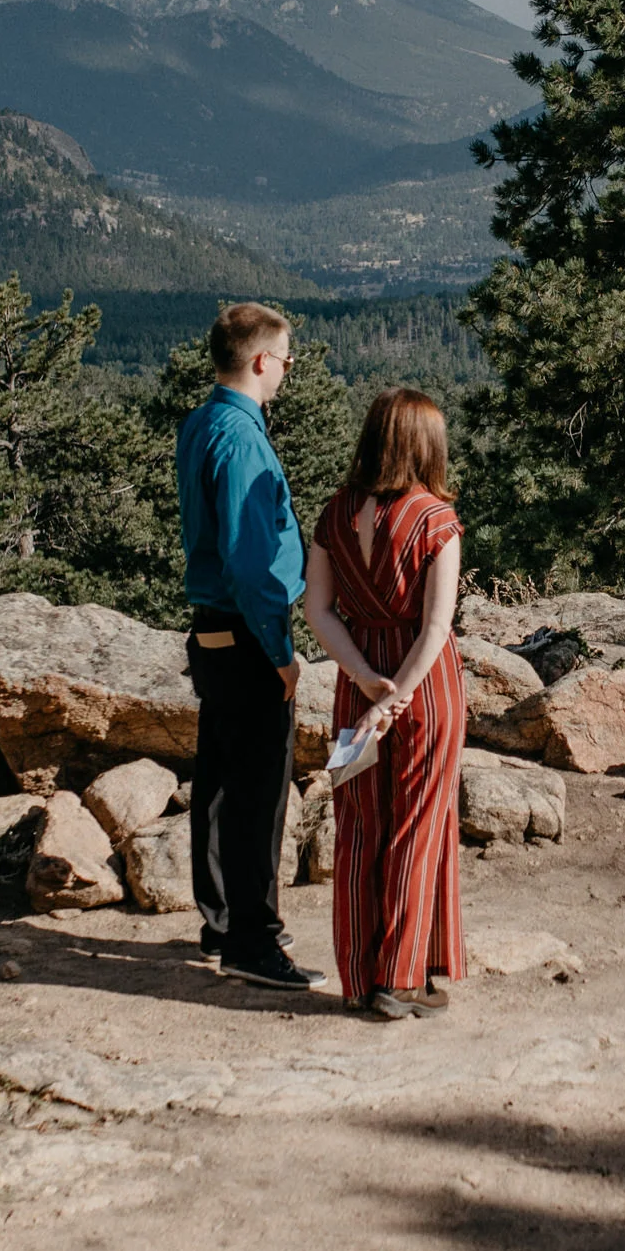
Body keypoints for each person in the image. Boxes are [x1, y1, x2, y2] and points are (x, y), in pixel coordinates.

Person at [301, 389, 466, 1021]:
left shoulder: (334, 515)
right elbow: (434, 628)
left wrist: (367, 680)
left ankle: (361, 976)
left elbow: (318, 610)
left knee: (361, 827)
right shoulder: (435, 520)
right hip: (424, 688)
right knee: (418, 824)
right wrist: (395, 696)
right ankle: (402, 978)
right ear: (425, 444)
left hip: (355, 682)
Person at [175, 302, 322, 991]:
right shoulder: (240, 440)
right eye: (287, 359)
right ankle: (252, 940)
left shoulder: (202, 422)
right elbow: (250, 559)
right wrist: (280, 650)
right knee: (258, 790)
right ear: (261, 360)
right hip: (245, 633)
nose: (288, 371)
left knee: (219, 779)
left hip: (212, 630)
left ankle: (222, 918)